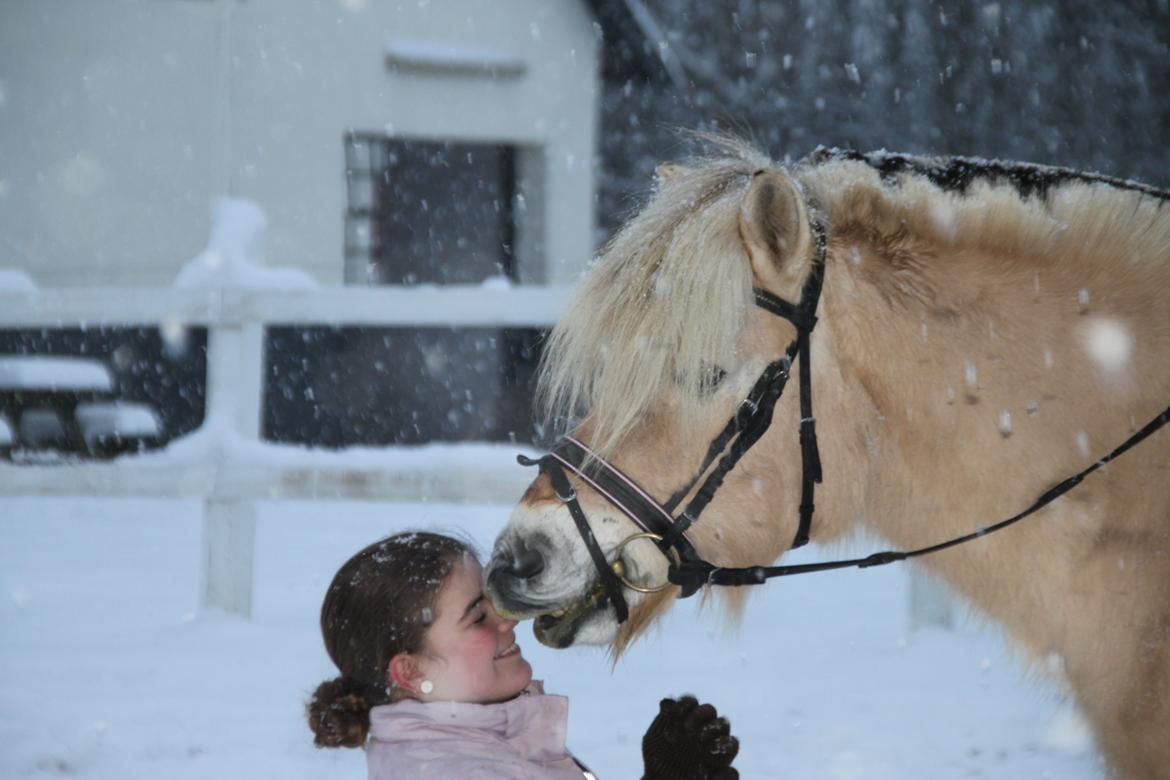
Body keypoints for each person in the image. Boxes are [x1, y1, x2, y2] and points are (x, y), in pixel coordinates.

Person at [307, 531, 740, 779]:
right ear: (409, 671)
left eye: (495, 601)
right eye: (477, 616)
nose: (508, 619)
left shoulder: (481, 750)